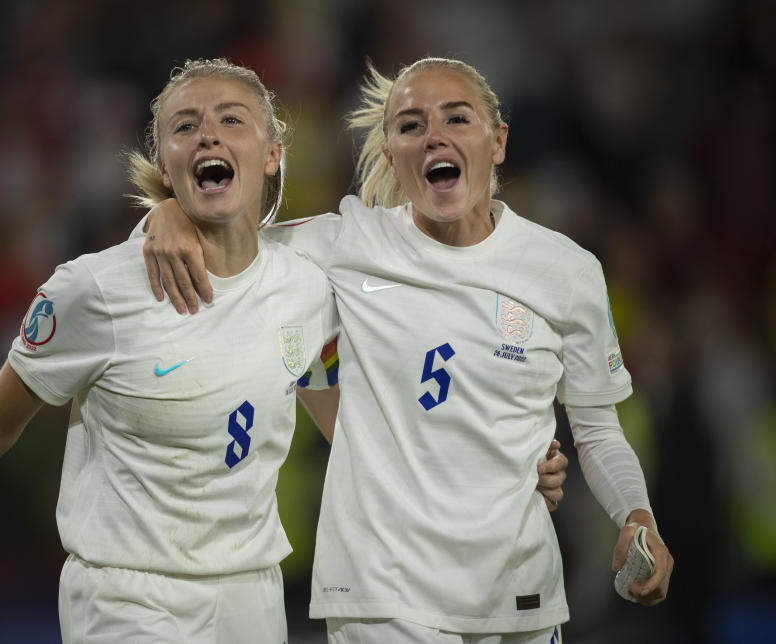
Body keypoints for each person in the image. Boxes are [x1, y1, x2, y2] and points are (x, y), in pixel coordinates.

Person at [139, 56, 674, 643]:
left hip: (520, 592)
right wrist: (166, 214)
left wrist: (635, 516)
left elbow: (597, 430)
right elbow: (228, 240)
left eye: (456, 118)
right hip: (383, 596)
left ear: (497, 142)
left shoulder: (565, 271)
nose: (434, 136)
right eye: (411, 125)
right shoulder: (347, 243)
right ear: (392, 153)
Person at [0, 58, 339, 643]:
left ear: (273, 153)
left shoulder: (308, 279)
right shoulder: (94, 289)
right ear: (166, 167)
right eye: (186, 126)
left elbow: (329, 378)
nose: (209, 135)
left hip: (256, 596)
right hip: (127, 600)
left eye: (231, 119)